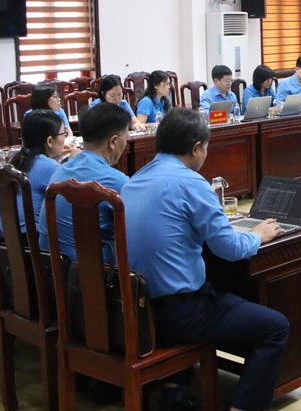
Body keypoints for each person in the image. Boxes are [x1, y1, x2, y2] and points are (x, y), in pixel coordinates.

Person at [123, 108, 288, 411]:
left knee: (218, 285)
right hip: (179, 312)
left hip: (135, 309)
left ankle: (174, 387)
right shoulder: (192, 183)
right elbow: (228, 248)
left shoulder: (134, 180)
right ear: (197, 148)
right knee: (274, 327)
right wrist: (258, 235)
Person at [38, 103, 131, 262]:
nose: (126, 145)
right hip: (97, 276)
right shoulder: (117, 182)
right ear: (113, 141)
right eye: (126, 139)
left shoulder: (61, 171)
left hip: (54, 270)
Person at [0, 110, 72, 238]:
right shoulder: (48, 166)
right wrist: (75, 161)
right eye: (64, 133)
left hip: (4, 240)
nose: (65, 138)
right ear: (50, 141)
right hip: (30, 242)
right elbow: (73, 195)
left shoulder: (15, 156)